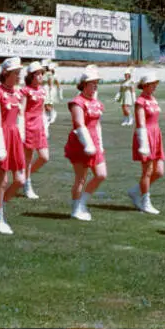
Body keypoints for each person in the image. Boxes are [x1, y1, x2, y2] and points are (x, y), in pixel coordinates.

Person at [0, 57, 27, 234]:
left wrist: (22, 136)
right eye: (16, 73)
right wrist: (0, 145)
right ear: (6, 74)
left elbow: (20, 116)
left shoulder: (19, 93)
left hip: (15, 136)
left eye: (19, 73)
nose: (19, 77)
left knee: (20, 180)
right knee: (3, 181)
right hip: (1, 136)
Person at [65, 66, 106, 221]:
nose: (95, 85)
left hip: (94, 140)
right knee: (81, 178)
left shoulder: (96, 102)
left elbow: (98, 124)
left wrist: (99, 144)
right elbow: (79, 124)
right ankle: (76, 209)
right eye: (92, 83)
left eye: (97, 83)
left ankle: (82, 203)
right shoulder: (77, 102)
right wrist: (88, 144)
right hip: (81, 142)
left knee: (101, 174)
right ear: (84, 84)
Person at [127, 72, 165, 215]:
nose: (155, 86)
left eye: (155, 83)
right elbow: (141, 123)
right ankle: (145, 201)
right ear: (145, 85)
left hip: (156, 134)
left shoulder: (153, 99)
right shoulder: (140, 101)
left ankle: (135, 191)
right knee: (147, 171)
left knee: (159, 171)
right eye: (152, 84)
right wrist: (144, 143)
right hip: (145, 135)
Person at [20, 61, 49, 199]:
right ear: (31, 76)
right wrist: (21, 129)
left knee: (44, 157)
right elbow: (21, 111)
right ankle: (27, 185)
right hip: (28, 126)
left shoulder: (43, 90)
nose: (40, 76)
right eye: (37, 74)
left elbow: (42, 110)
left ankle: (25, 177)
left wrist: (46, 125)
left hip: (40, 127)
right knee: (28, 158)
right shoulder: (25, 90)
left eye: (41, 73)